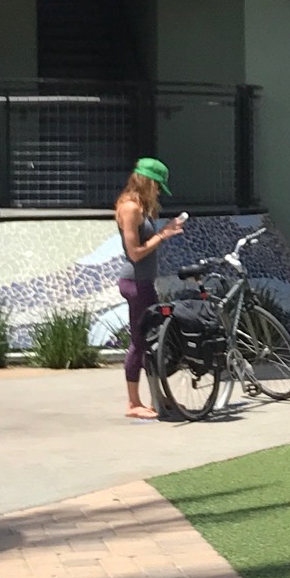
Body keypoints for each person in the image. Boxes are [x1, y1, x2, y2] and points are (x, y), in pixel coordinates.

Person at [115, 157, 183, 420]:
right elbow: (135, 253)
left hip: (144, 282)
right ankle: (133, 403)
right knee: (140, 341)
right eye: (157, 186)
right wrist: (162, 235)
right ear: (147, 182)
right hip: (135, 283)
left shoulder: (140, 207)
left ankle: (157, 396)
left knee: (152, 340)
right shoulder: (130, 208)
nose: (157, 192)